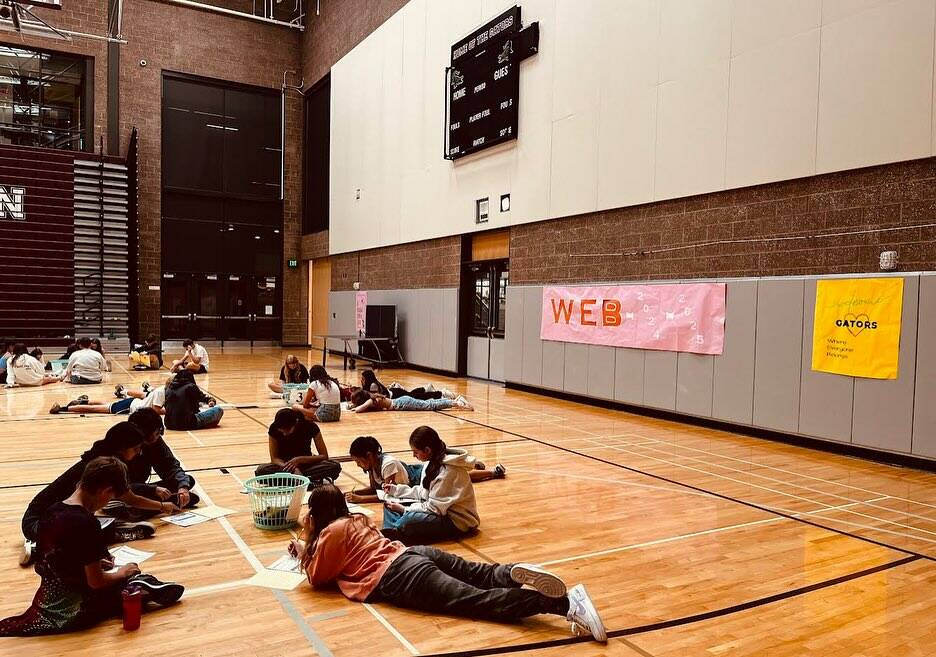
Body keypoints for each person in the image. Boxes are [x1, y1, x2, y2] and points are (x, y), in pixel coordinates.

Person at [289, 485, 607, 642]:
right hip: (414, 553)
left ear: (318, 512)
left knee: (474, 600)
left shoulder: (331, 531)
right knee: (477, 573)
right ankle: (510, 572)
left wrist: (306, 545)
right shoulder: (357, 519)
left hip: (399, 576)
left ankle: (566, 605)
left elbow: (318, 577)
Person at [0, 457, 184, 636]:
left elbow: (61, 557)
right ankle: (140, 585)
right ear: (106, 491)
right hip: (72, 611)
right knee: (131, 579)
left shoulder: (52, 511)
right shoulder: (86, 522)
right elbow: (96, 582)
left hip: (46, 601)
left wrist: (93, 560)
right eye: (110, 498)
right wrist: (122, 572)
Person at [19, 423, 179, 567]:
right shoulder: (108, 466)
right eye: (136, 449)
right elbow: (131, 498)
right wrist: (162, 506)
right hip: (38, 522)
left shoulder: (102, 457)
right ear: (123, 447)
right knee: (85, 536)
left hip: (58, 518)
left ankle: (112, 532)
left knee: (89, 531)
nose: (138, 453)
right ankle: (38, 547)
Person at [379, 426, 480, 545]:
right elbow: (423, 492)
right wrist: (396, 491)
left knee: (409, 520)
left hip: (455, 522)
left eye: (416, 452)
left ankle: (394, 533)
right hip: (436, 511)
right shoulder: (430, 464)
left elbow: (435, 509)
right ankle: (395, 533)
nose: (413, 455)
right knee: (389, 505)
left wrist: (404, 509)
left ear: (427, 450)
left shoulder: (448, 471)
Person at [102, 408, 200, 521]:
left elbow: (170, 465)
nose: (158, 437)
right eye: (157, 433)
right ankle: (150, 506)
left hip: (138, 488)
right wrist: (151, 490)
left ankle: (150, 505)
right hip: (119, 490)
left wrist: (183, 487)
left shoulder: (154, 442)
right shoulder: (121, 445)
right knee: (118, 495)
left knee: (186, 480)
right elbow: (116, 485)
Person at [345, 436, 505, 504]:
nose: (358, 465)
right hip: (409, 474)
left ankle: (492, 472)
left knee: (461, 476)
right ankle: (478, 466)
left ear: (369, 455)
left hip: (414, 477)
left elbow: (386, 495)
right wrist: (353, 494)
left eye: (358, 461)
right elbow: (375, 489)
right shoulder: (373, 465)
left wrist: (360, 499)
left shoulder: (387, 465)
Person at [255, 408, 341, 485]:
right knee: (261, 471)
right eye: (281, 431)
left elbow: (324, 455)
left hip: (307, 465)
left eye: (287, 431)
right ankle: (306, 480)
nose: (284, 434)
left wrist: (299, 460)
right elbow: (274, 458)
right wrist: (293, 468)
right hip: (284, 467)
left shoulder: (310, 426)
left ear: (296, 422)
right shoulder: (274, 428)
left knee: (334, 465)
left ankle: (294, 481)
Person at [49, 382, 166, 415]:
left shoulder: (159, 390)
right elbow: (156, 410)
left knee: (106, 404)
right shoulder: (161, 394)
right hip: (130, 407)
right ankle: (63, 408)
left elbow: (141, 395)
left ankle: (84, 401)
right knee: (96, 409)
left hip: (133, 402)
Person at [359, 370, 456, 401]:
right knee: (412, 394)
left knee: (417, 397)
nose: (361, 380)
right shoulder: (370, 385)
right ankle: (425, 388)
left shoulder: (372, 386)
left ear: (368, 379)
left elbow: (373, 398)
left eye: (363, 379)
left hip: (396, 395)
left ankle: (441, 393)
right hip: (394, 392)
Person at [349, 389, 473, 413]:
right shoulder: (372, 398)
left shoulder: (372, 400)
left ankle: (454, 402)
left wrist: (353, 408)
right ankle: (450, 401)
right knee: (427, 404)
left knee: (428, 406)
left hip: (402, 403)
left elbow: (359, 410)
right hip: (402, 402)